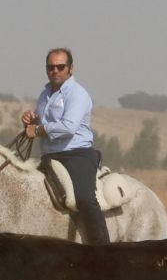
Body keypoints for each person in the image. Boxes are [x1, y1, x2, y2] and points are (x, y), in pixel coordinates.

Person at [21, 48, 110, 244]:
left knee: (84, 198)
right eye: (51, 67)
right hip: (50, 156)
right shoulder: (45, 94)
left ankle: (104, 249)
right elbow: (42, 122)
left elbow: (68, 127)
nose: (55, 71)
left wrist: (37, 130)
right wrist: (32, 119)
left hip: (77, 155)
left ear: (70, 68)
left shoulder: (78, 94)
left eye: (60, 67)